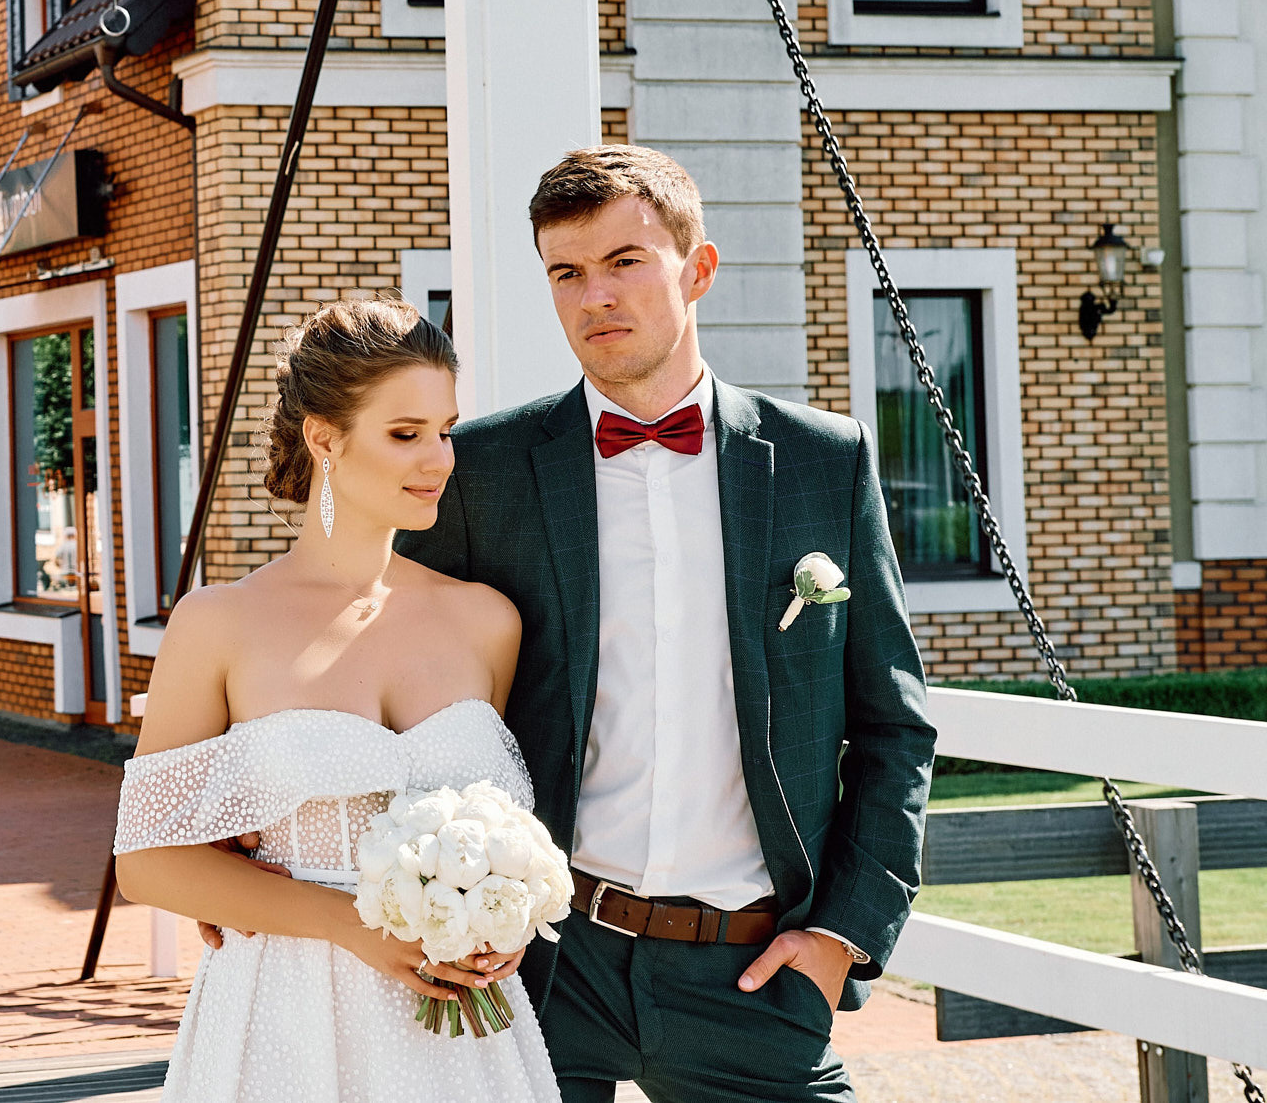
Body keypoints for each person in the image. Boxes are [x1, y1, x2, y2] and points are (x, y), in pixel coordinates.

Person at [392, 145, 936, 1101]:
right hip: (549, 968)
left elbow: (894, 725)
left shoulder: (823, 461)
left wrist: (844, 936)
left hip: (758, 973)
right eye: (567, 272)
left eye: (625, 261)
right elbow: (386, 683)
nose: (594, 296)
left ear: (699, 269)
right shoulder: (481, 471)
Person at [114, 297, 562, 1102]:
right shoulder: (218, 623)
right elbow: (146, 861)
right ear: (324, 438)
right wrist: (346, 926)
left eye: (445, 430)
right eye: (405, 433)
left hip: (465, 1028)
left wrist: (504, 919)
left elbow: (513, 830)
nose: (439, 459)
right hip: (283, 1017)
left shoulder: (486, 621)